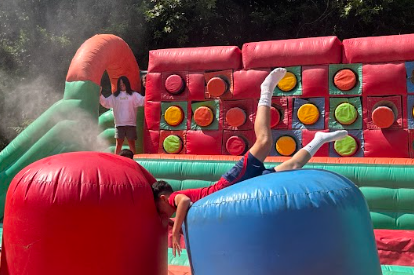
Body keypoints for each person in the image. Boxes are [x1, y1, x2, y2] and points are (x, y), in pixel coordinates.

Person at [152, 68, 349, 255]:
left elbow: (184, 201)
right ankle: (318, 140)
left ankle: (266, 90)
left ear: (163, 199)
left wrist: (175, 231)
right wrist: (173, 225)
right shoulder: (180, 212)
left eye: (160, 211)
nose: (163, 214)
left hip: (231, 183)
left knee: (264, 142)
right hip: (242, 189)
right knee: (293, 167)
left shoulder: (174, 198)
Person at [100, 75, 146, 154]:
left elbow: (143, 100)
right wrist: (100, 94)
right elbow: (106, 103)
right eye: (120, 84)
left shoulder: (133, 95)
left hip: (130, 124)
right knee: (119, 144)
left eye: (123, 83)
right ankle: (116, 159)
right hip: (119, 124)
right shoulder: (115, 96)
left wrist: (146, 88)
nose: (122, 85)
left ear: (127, 84)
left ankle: (132, 159)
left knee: (131, 144)